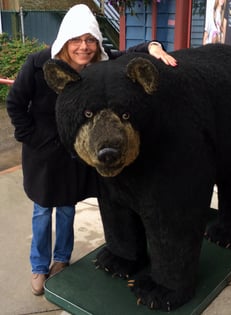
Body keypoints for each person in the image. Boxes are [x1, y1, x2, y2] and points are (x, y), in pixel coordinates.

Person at [6, 4, 177, 296]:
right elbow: (15, 104)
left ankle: (61, 260)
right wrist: (33, 139)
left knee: (68, 207)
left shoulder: (97, 66)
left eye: (90, 40)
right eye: (76, 39)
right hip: (45, 152)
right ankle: (39, 265)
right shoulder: (38, 65)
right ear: (65, 40)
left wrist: (153, 46)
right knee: (44, 209)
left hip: (79, 150)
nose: (83, 47)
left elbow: (126, 55)